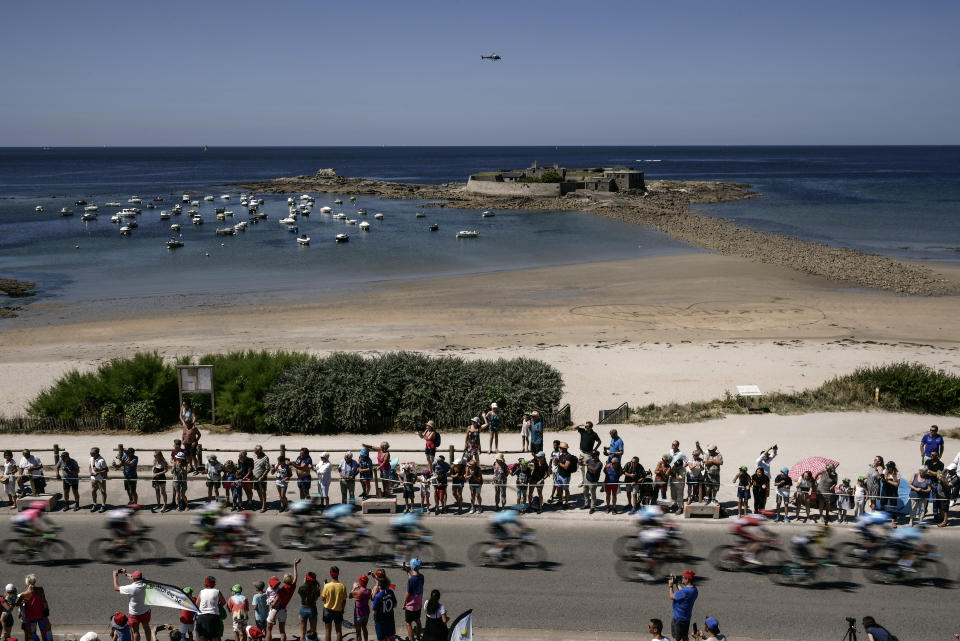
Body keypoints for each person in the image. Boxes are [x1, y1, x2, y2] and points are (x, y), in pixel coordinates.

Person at [113, 570, 153, 641]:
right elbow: (135, 577)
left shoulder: (131, 588)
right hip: (146, 611)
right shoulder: (146, 582)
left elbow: (116, 588)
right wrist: (126, 574)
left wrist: (115, 576)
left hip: (134, 614)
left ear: (134, 579)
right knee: (146, 628)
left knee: (135, 632)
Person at [266, 560, 300, 641]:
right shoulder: (293, 587)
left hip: (275, 610)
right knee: (282, 631)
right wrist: (295, 565)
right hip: (283, 611)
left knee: (268, 630)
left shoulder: (281, 591)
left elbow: (274, 603)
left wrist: (270, 603)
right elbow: (296, 577)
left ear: (284, 580)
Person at [18, 574, 51, 641]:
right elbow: (44, 601)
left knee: (32, 634)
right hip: (42, 615)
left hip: (30, 617)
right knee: (46, 633)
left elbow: (18, 604)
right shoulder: (41, 590)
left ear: (27, 582)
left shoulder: (24, 594)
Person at [668, 570, 698, 641]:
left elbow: (672, 596)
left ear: (687, 579)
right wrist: (677, 583)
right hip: (686, 618)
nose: (682, 578)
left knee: (676, 638)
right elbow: (683, 593)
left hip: (678, 619)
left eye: (683, 577)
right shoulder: (694, 589)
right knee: (685, 637)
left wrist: (670, 586)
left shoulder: (685, 591)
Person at [196, 576, 225, 641]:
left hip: (202, 616)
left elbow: (197, 604)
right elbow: (223, 602)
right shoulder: (217, 591)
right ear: (214, 584)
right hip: (213, 616)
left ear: (205, 584)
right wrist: (217, 605)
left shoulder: (201, 592)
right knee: (214, 637)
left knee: (202, 637)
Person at [320, 568, 345, 641]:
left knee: (328, 630)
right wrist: (342, 609)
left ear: (331, 574)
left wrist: (325, 585)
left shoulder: (327, 586)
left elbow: (323, 599)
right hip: (338, 610)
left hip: (328, 610)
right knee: (339, 630)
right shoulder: (342, 586)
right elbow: (344, 600)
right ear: (338, 574)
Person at [402, 558, 424, 641]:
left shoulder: (411, 580)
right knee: (418, 621)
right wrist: (407, 571)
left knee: (408, 624)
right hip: (418, 604)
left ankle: (412, 639)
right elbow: (413, 578)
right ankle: (418, 638)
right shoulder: (421, 577)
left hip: (410, 606)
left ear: (412, 566)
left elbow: (408, 593)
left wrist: (404, 603)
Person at [371, 576, 397, 641]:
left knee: (382, 638)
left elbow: (374, 612)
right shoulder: (391, 592)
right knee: (391, 637)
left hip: (381, 622)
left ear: (379, 586)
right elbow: (395, 605)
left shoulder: (378, 596)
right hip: (390, 619)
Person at [350, 575, 371, 641]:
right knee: (364, 628)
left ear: (360, 582)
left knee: (358, 632)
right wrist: (360, 586)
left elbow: (350, 595)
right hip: (366, 613)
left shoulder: (357, 592)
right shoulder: (369, 591)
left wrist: (354, 587)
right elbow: (364, 591)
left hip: (358, 614)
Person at [252, 446, 271, 513]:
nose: (254, 452)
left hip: (262, 478)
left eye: (255, 451)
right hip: (255, 478)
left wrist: (262, 477)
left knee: (263, 492)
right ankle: (261, 503)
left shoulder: (265, 458)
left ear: (259, 451)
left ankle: (264, 506)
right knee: (258, 491)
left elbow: (268, 468)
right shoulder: (254, 456)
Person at [881, 461, 901, 526]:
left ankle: (893, 521)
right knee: (883, 504)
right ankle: (882, 519)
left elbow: (897, 484)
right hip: (885, 490)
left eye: (889, 467)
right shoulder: (884, 471)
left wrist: (888, 481)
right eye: (887, 466)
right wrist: (882, 479)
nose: (887, 468)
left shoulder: (897, 473)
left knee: (893, 506)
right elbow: (882, 480)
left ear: (892, 467)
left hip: (893, 491)